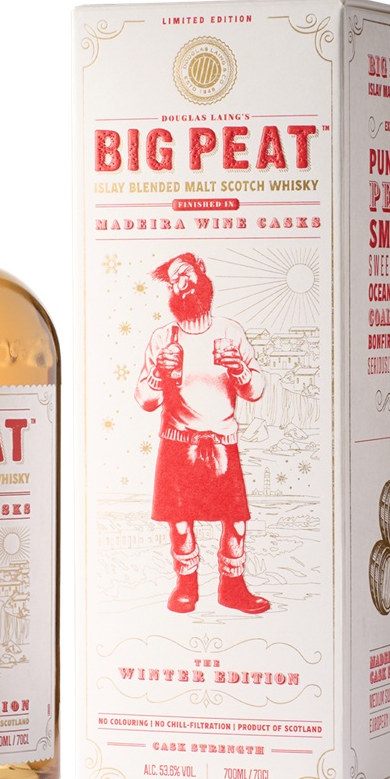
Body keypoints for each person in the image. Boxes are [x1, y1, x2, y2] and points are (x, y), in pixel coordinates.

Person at [135, 253, 269, 614]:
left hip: (222, 443)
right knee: (180, 526)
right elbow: (145, 400)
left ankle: (232, 589)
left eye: (186, 274)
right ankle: (186, 587)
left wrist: (239, 369)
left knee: (236, 524)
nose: (182, 284)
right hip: (179, 443)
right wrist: (158, 375)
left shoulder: (229, 332)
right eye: (174, 281)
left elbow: (256, 390)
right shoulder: (164, 338)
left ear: (201, 272)